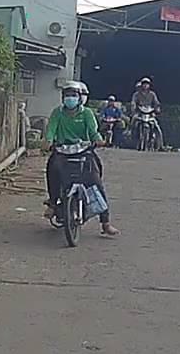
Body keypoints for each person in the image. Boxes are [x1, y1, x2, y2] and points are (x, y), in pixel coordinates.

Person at [43, 82, 118, 236]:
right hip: (62, 151)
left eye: (73, 95)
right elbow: (51, 130)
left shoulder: (87, 113)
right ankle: (53, 202)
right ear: (63, 98)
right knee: (52, 168)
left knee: (96, 180)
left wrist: (99, 140)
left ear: (79, 98)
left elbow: (93, 132)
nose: (70, 98)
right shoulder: (57, 113)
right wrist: (48, 141)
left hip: (83, 151)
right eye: (67, 96)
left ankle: (105, 222)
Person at [130, 77, 163, 148]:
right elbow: (133, 103)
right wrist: (134, 110)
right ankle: (132, 136)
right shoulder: (136, 94)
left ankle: (161, 145)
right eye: (144, 84)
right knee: (133, 122)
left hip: (150, 113)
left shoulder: (152, 94)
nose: (145, 85)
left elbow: (156, 103)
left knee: (157, 127)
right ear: (141, 85)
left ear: (149, 85)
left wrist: (157, 110)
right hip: (139, 112)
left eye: (147, 84)